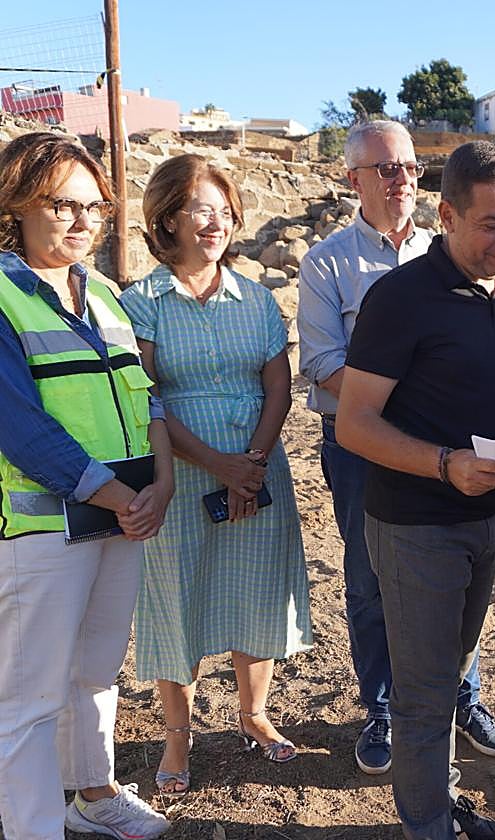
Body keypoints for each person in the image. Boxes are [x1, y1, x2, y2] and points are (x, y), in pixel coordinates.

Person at [336, 140, 495, 840]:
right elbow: (353, 424)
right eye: (491, 224)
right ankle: (428, 826)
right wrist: (443, 464)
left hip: (487, 518)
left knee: (454, 675)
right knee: (424, 698)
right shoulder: (399, 298)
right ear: (446, 215)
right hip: (414, 523)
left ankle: (441, 808)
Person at [299, 120, 495, 774]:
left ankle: (461, 699)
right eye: (385, 168)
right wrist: (403, 403)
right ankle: (384, 708)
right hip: (362, 448)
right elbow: (324, 361)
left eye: (410, 168)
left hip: (449, 443)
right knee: (368, 581)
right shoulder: (326, 263)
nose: (401, 179)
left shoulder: (451, 250)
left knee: (460, 575)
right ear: (351, 179)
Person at [120, 153, 311, 796]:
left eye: (224, 210)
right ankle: (179, 734)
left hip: (258, 470)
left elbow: (278, 387)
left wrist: (250, 465)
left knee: (255, 592)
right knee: (177, 597)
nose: (217, 222)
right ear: (167, 217)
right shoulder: (139, 302)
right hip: (177, 473)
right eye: (201, 208)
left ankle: (254, 715)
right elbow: (145, 397)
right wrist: (218, 464)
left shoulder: (256, 299)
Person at [0, 132, 172, 839]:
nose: (82, 222)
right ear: (16, 203)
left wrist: (159, 482)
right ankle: (33, 828)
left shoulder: (103, 292)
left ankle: (94, 797)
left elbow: (148, 398)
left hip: (122, 516)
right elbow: (18, 425)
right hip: (47, 527)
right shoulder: (6, 295)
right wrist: (115, 494)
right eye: (61, 205)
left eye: (94, 208)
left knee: (97, 671)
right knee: (29, 699)